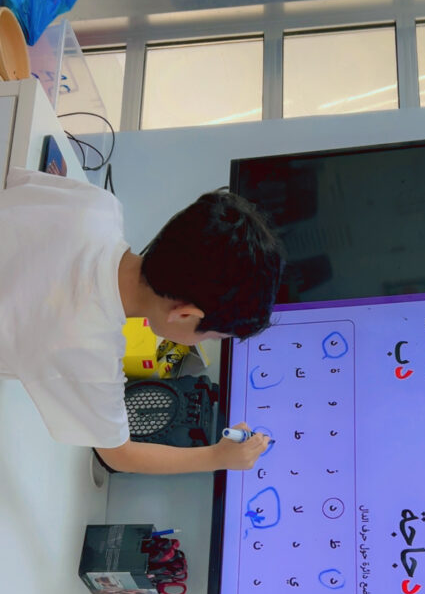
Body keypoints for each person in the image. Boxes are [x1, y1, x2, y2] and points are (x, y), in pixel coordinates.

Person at [0, 167, 285, 473]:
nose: (206, 340)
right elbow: (119, 455)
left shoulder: (98, 205)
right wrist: (218, 457)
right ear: (185, 314)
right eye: (211, 336)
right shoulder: (89, 352)